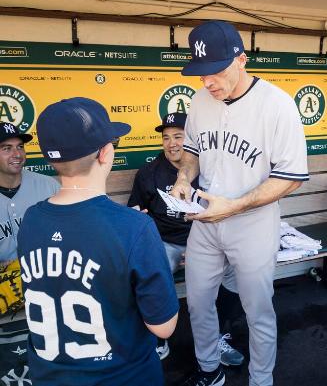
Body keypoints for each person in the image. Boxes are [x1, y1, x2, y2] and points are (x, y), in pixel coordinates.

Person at [171, 21, 309, 386]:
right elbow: (191, 151)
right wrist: (184, 178)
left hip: (253, 224)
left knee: (258, 311)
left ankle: (261, 380)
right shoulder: (200, 100)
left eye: (214, 71)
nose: (207, 82)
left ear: (241, 59)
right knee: (198, 302)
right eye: (200, 74)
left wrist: (233, 207)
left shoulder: (277, 105)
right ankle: (209, 370)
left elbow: (291, 176)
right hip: (205, 219)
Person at [17, 97, 179, 386]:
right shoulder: (135, 227)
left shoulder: (31, 219)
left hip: (49, 377)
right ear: (105, 153)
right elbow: (164, 327)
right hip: (123, 377)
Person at [128, 112, 244, 366]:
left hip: (205, 238)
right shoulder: (149, 173)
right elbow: (136, 214)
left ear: (190, 139)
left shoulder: (209, 169)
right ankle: (157, 335)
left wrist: (201, 246)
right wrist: (143, 225)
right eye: (166, 138)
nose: (171, 144)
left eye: (178, 136)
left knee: (235, 271)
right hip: (165, 241)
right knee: (153, 268)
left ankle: (216, 335)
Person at [0, 121, 59, 315]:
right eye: (6, 148)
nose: (17, 154)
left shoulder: (49, 186)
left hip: (48, 282)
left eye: (20, 147)